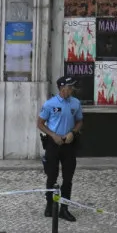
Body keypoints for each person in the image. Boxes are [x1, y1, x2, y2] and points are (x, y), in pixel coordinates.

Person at [39, 75, 84, 221]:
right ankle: (49, 205)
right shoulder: (50, 104)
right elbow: (40, 123)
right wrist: (52, 135)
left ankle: (64, 208)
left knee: (68, 178)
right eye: (68, 88)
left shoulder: (75, 103)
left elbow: (79, 121)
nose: (70, 90)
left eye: (71, 88)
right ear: (61, 88)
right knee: (52, 176)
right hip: (53, 143)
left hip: (68, 144)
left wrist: (73, 132)